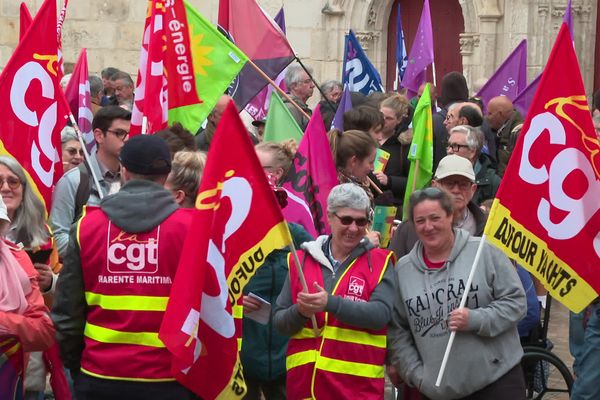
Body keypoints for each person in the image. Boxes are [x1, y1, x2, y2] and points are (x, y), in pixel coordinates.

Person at [52, 135, 196, 400]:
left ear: (124, 171)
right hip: (169, 380)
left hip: (99, 377)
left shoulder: (87, 227)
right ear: (166, 175)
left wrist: (77, 368)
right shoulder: (192, 229)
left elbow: (67, 312)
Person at [387, 187, 526, 399]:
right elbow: (398, 331)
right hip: (438, 390)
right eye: (420, 221)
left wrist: (476, 319)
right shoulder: (403, 270)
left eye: (435, 218)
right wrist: (415, 374)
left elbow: (516, 303)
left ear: (450, 216)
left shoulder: (483, 251)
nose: (428, 227)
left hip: (497, 381)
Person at [273, 183, 396, 399]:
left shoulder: (381, 261)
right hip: (304, 387)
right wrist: (301, 311)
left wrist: (330, 303)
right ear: (330, 217)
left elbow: (380, 315)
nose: (354, 228)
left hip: (356, 391)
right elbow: (280, 324)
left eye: (361, 221)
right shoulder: (299, 260)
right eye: (346, 220)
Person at [241, 177, 313, 400]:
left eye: (274, 203)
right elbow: (211, 287)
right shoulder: (235, 239)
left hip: (286, 356)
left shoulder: (297, 236)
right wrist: (234, 301)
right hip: (244, 358)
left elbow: (328, 268)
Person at [50, 106, 131, 257]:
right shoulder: (73, 180)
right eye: (119, 133)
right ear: (99, 136)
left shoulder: (132, 179)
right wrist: (99, 257)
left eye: (129, 133)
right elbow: (59, 237)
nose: (127, 139)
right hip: (87, 274)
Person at [388, 155, 486, 258]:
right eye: (449, 183)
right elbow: (392, 268)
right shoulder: (409, 229)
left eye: (463, 184)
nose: (456, 190)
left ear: (473, 189)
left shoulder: (488, 227)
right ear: (435, 185)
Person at [255, 141, 317, 237]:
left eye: (257, 167)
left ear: (277, 173)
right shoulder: (241, 201)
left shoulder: (298, 207)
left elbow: (311, 247)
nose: (250, 171)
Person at [446, 125, 500, 205]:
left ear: (472, 151)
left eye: (455, 146)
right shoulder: (441, 176)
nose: (449, 151)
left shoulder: (493, 183)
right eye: (448, 145)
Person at [376, 94, 412, 205]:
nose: (383, 121)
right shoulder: (368, 138)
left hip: (392, 207)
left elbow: (413, 181)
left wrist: (389, 180)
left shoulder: (404, 145)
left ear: (399, 120)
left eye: (389, 118)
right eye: (381, 115)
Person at [485, 95, 523, 177]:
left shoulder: (519, 134)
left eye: (490, 113)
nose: (487, 117)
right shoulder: (498, 131)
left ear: (500, 114)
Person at [284, 63, 314, 130]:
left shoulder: (300, 107)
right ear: (294, 86)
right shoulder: (290, 108)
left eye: (311, 81)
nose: (312, 85)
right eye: (307, 82)